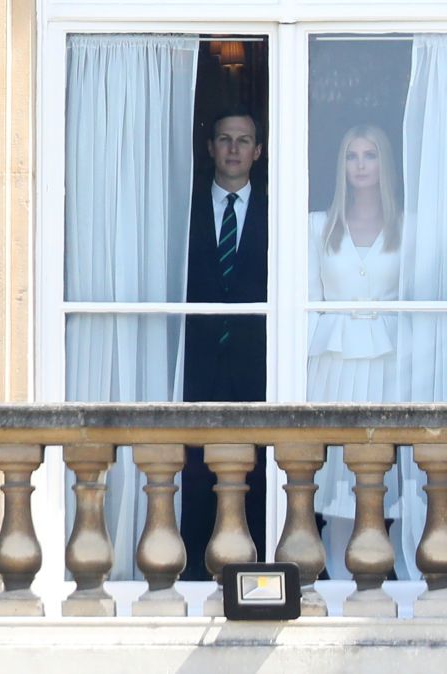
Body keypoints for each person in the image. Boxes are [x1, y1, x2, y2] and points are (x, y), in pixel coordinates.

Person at [307, 124, 403, 579]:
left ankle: (393, 574)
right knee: (334, 473)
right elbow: (307, 304)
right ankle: (335, 578)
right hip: (334, 363)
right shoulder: (318, 226)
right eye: (352, 156)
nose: (361, 165)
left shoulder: (408, 225)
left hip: (389, 362)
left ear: (384, 164)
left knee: (387, 468)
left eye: (370, 155)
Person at [181, 108, 268, 580]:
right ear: (210, 147)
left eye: (243, 140)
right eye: (225, 139)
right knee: (194, 473)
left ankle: (252, 572)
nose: (233, 149)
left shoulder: (279, 213)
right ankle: (194, 571)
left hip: (259, 370)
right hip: (195, 366)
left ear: (258, 151)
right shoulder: (182, 208)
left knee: (257, 475)